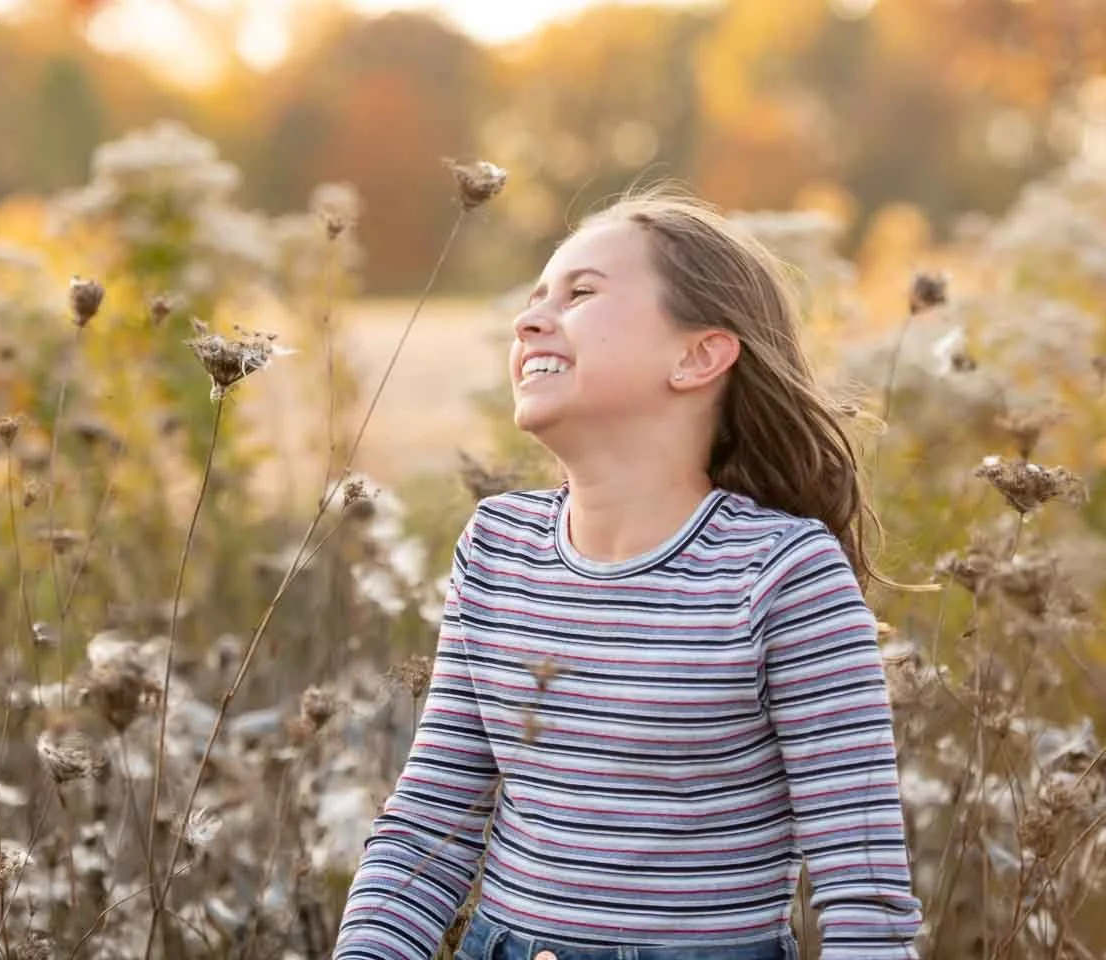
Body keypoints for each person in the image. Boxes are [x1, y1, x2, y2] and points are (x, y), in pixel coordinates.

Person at [333, 188, 923, 960]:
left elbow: (863, 896)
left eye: (581, 294)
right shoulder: (497, 547)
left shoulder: (784, 575)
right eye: (536, 297)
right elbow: (428, 830)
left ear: (698, 355)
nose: (530, 319)